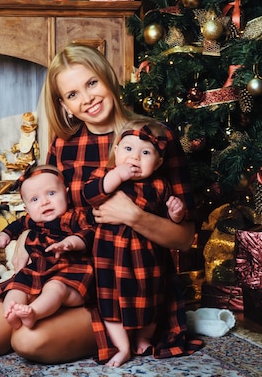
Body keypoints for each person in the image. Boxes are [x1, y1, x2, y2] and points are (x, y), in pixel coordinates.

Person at [0, 43, 200, 364]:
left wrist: (134, 216)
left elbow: (185, 237)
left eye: (91, 83)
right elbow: (44, 204)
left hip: (120, 287)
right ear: (64, 104)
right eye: (73, 94)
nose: (87, 98)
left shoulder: (152, 138)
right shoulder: (63, 146)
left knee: (27, 341)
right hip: (58, 269)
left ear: (107, 77)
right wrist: (22, 235)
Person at [83, 118, 186, 366]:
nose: (135, 158)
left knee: (150, 299)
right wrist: (118, 174)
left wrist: (176, 212)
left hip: (146, 258)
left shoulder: (160, 185)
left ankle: (142, 337)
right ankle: (122, 346)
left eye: (146, 152)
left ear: (159, 162)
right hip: (110, 256)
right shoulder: (106, 176)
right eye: (128, 149)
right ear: (116, 151)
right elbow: (90, 194)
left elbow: (167, 221)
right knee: (109, 302)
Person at [0, 164, 93, 330]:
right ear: (27, 209)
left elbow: (89, 233)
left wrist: (71, 242)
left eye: (51, 193)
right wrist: (4, 235)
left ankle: (34, 313)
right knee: (16, 286)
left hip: (71, 273)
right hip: (38, 270)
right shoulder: (31, 220)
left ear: (66, 195)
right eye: (35, 199)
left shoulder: (75, 216)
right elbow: (16, 225)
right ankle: (11, 313)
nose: (45, 202)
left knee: (55, 287)